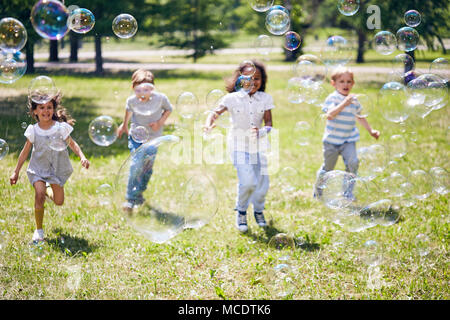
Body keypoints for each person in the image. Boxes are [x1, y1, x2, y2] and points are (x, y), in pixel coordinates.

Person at [204, 60, 274, 233]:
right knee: (248, 181)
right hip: (238, 146)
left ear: (262, 80)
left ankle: (258, 210)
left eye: (257, 78)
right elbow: (215, 112)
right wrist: (208, 124)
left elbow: (269, 122)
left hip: (258, 147)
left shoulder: (265, 99)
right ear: (239, 80)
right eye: (248, 78)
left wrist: (262, 131)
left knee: (262, 185)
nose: (252, 82)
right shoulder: (231, 99)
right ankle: (241, 211)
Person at [10, 92, 90, 243]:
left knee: (59, 201)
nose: (45, 111)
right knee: (38, 194)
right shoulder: (33, 130)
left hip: (55, 170)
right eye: (41, 108)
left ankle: (48, 190)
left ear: (53, 109)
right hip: (38, 169)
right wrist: (16, 172)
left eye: (49, 107)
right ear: (34, 111)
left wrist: (82, 157)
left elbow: (72, 144)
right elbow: (25, 151)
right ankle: (39, 230)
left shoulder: (60, 128)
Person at [314, 66, 380, 199]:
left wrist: (371, 130)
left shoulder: (354, 101)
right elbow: (330, 115)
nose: (346, 84)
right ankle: (319, 190)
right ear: (334, 83)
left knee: (353, 164)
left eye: (349, 81)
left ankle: (347, 193)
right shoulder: (332, 98)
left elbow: (360, 116)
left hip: (349, 139)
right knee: (328, 168)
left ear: (353, 84)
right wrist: (344, 103)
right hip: (331, 141)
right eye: (342, 81)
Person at [117, 69, 172, 211]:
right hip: (136, 137)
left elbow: (168, 109)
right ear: (133, 88)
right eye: (138, 90)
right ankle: (130, 199)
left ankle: (139, 193)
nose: (142, 93)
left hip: (153, 139)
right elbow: (128, 113)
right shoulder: (132, 100)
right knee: (135, 165)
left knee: (147, 169)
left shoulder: (160, 99)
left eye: (146, 89)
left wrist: (159, 123)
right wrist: (123, 126)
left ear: (152, 88)